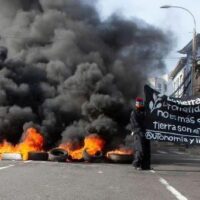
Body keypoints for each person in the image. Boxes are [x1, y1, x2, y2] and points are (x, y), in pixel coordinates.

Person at [130, 97, 151, 170]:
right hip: (138, 133)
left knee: (147, 150)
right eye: (138, 103)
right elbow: (135, 124)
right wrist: (141, 131)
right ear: (136, 104)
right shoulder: (134, 112)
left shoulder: (146, 111)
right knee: (140, 150)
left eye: (140, 103)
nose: (139, 104)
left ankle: (146, 166)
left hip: (147, 133)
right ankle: (136, 164)